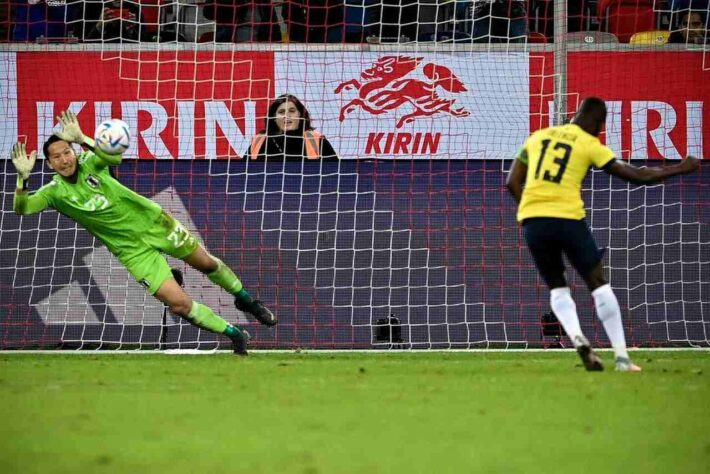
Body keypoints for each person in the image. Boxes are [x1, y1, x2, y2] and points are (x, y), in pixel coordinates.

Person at [11, 110, 277, 355]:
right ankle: (234, 334)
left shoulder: (90, 162)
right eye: (56, 157)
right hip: (132, 251)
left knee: (206, 263)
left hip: (154, 224)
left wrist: (82, 139)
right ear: (49, 164)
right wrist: (23, 179)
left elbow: (113, 157)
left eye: (67, 152)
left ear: (73, 152)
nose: (64, 159)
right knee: (179, 304)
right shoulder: (53, 192)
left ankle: (247, 301)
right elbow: (23, 208)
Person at [506, 97, 700, 372]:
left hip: (533, 221)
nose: (599, 131)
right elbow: (636, 175)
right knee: (598, 283)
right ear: (598, 122)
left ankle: (578, 339)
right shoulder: (588, 143)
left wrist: (531, 211)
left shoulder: (537, 137)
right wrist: (681, 167)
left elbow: (512, 182)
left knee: (558, 288)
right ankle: (622, 359)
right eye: (600, 126)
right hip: (568, 218)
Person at [244, 94, 339, 161]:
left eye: (292, 111)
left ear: (300, 115)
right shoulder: (259, 142)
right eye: (281, 112)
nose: (287, 115)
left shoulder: (317, 141)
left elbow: (335, 174)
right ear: (274, 118)